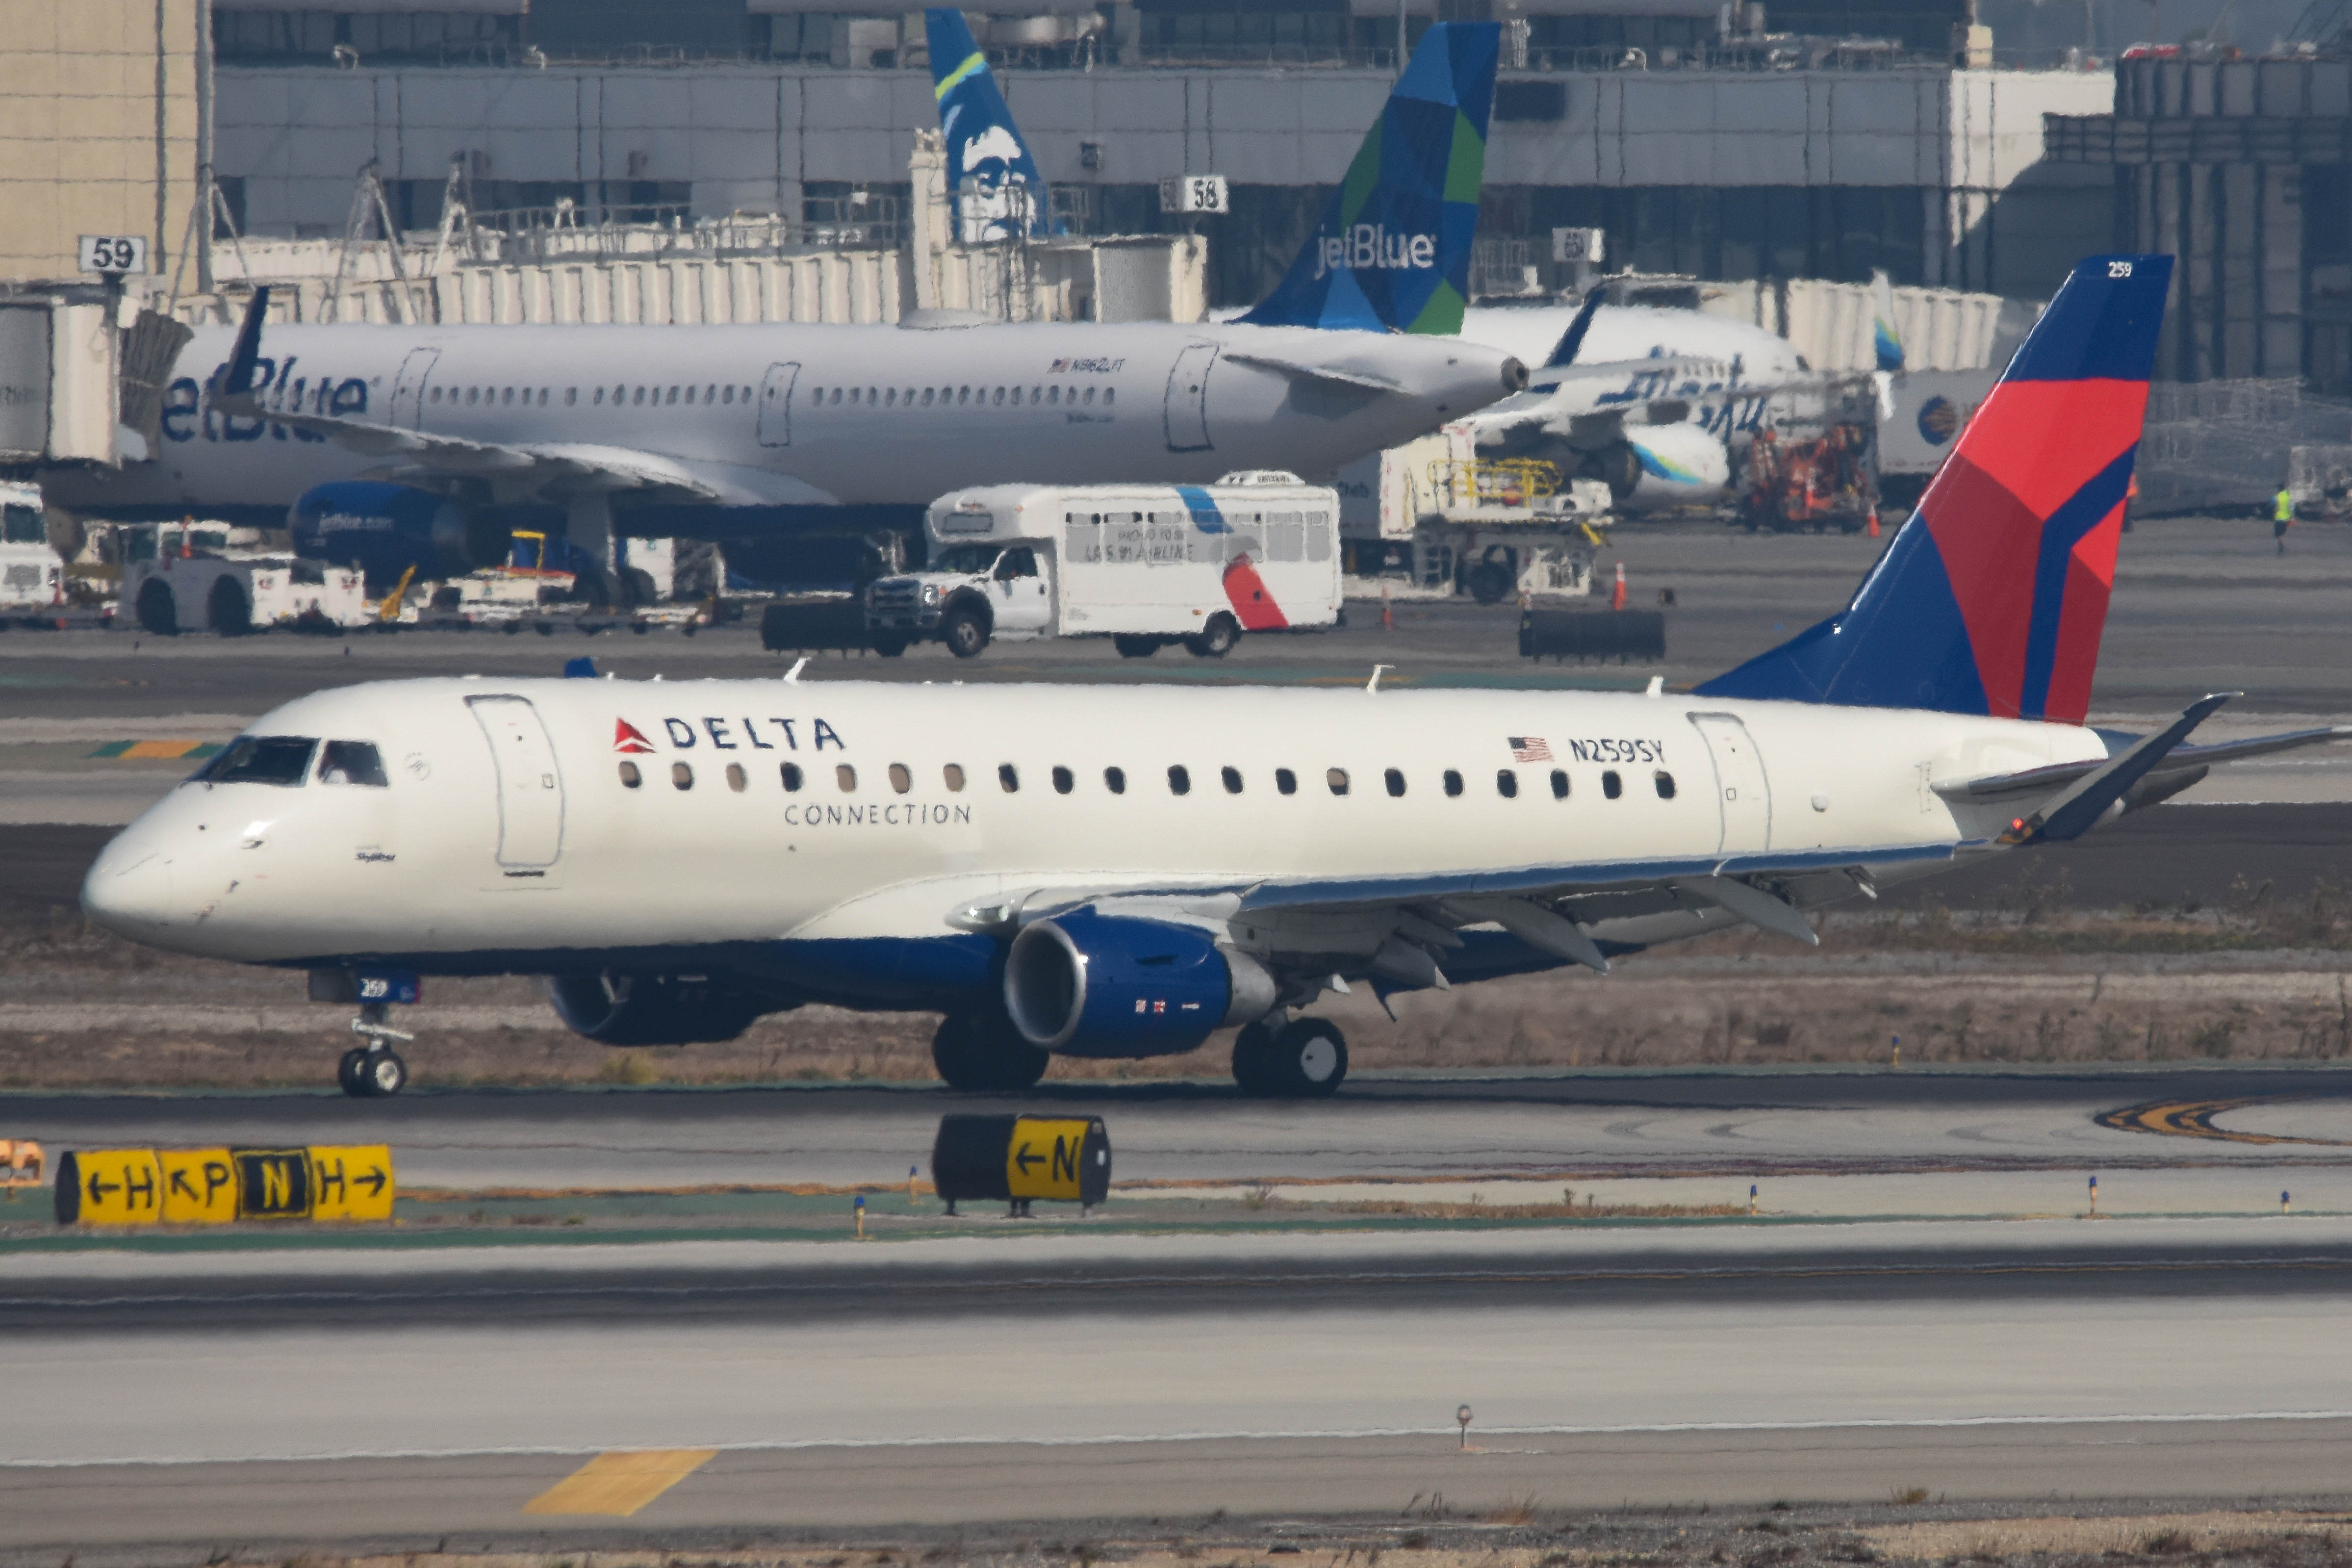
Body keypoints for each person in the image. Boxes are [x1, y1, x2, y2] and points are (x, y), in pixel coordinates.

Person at [2275, 484, 2295, 554]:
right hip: (2287, 518)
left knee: (2278, 535)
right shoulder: (2288, 496)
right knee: (2282, 533)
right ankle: (2282, 546)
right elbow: (2292, 507)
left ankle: (2282, 547)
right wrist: (2292, 517)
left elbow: (2273, 504)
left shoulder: (2278, 496)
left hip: (2279, 518)